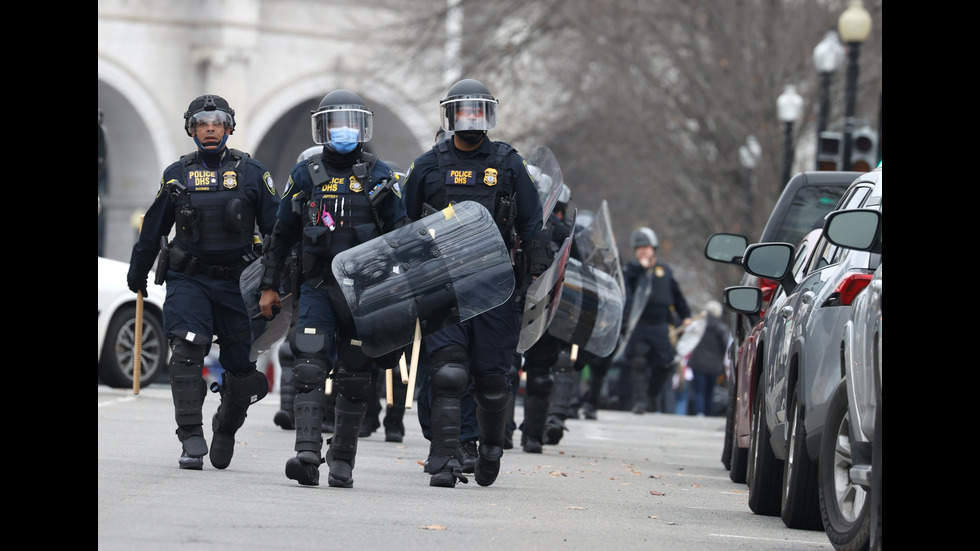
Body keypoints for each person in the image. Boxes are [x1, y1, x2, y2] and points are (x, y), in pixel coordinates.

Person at [258, 89, 410, 488]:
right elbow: (281, 235)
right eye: (335, 124)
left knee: (356, 376)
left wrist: (402, 290)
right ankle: (306, 452)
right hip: (318, 286)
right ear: (321, 129)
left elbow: (402, 235)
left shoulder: (380, 176)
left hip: (365, 295)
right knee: (308, 363)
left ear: (363, 128)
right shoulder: (305, 176)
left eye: (351, 124)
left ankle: (342, 459)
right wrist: (269, 286)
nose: (344, 132)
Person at [126, 94, 281, 470]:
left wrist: (273, 283)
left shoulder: (253, 173)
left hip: (238, 283)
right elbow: (153, 227)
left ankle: (225, 427)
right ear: (191, 128)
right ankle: (191, 437)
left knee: (243, 373)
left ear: (228, 126)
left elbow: (277, 231)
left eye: (216, 121)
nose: (209, 128)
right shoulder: (176, 174)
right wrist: (138, 273)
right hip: (189, 278)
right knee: (186, 351)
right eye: (201, 122)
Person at [401, 78, 542, 487]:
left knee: (494, 379)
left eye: (478, 111)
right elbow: (403, 224)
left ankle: (491, 448)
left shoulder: (509, 163)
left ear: (489, 116)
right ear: (450, 116)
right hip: (443, 284)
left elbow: (533, 221)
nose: (471, 119)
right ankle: (444, 457)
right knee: (447, 371)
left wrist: (536, 264)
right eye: (464, 111)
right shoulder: (428, 165)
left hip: (496, 286)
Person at [520, 185, 577, 452]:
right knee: (499, 372)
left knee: (541, 376)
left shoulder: (563, 233)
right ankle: (500, 434)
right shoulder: (512, 222)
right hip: (512, 304)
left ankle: (533, 435)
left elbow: (575, 274)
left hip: (545, 308)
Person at [617, 227, 692, 414]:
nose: (642, 250)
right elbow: (625, 288)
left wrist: (686, 315)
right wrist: (639, 268)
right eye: (639, 248)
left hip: (660, 325)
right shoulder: (631, 270)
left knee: (665, 363)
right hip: (639, 324)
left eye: (646, 247)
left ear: (653, 248)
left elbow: (677, 295)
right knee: (638, 363)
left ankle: (652, 394)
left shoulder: (664, 270)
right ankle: (640, 402)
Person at [687, 300, 729, 416]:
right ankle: (708, 412)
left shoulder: (698, 326)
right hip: (714, 365)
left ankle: (699, 412)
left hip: (698, 363)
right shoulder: (721, 327)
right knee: (710, 391)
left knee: (699, 390)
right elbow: (725, 345)